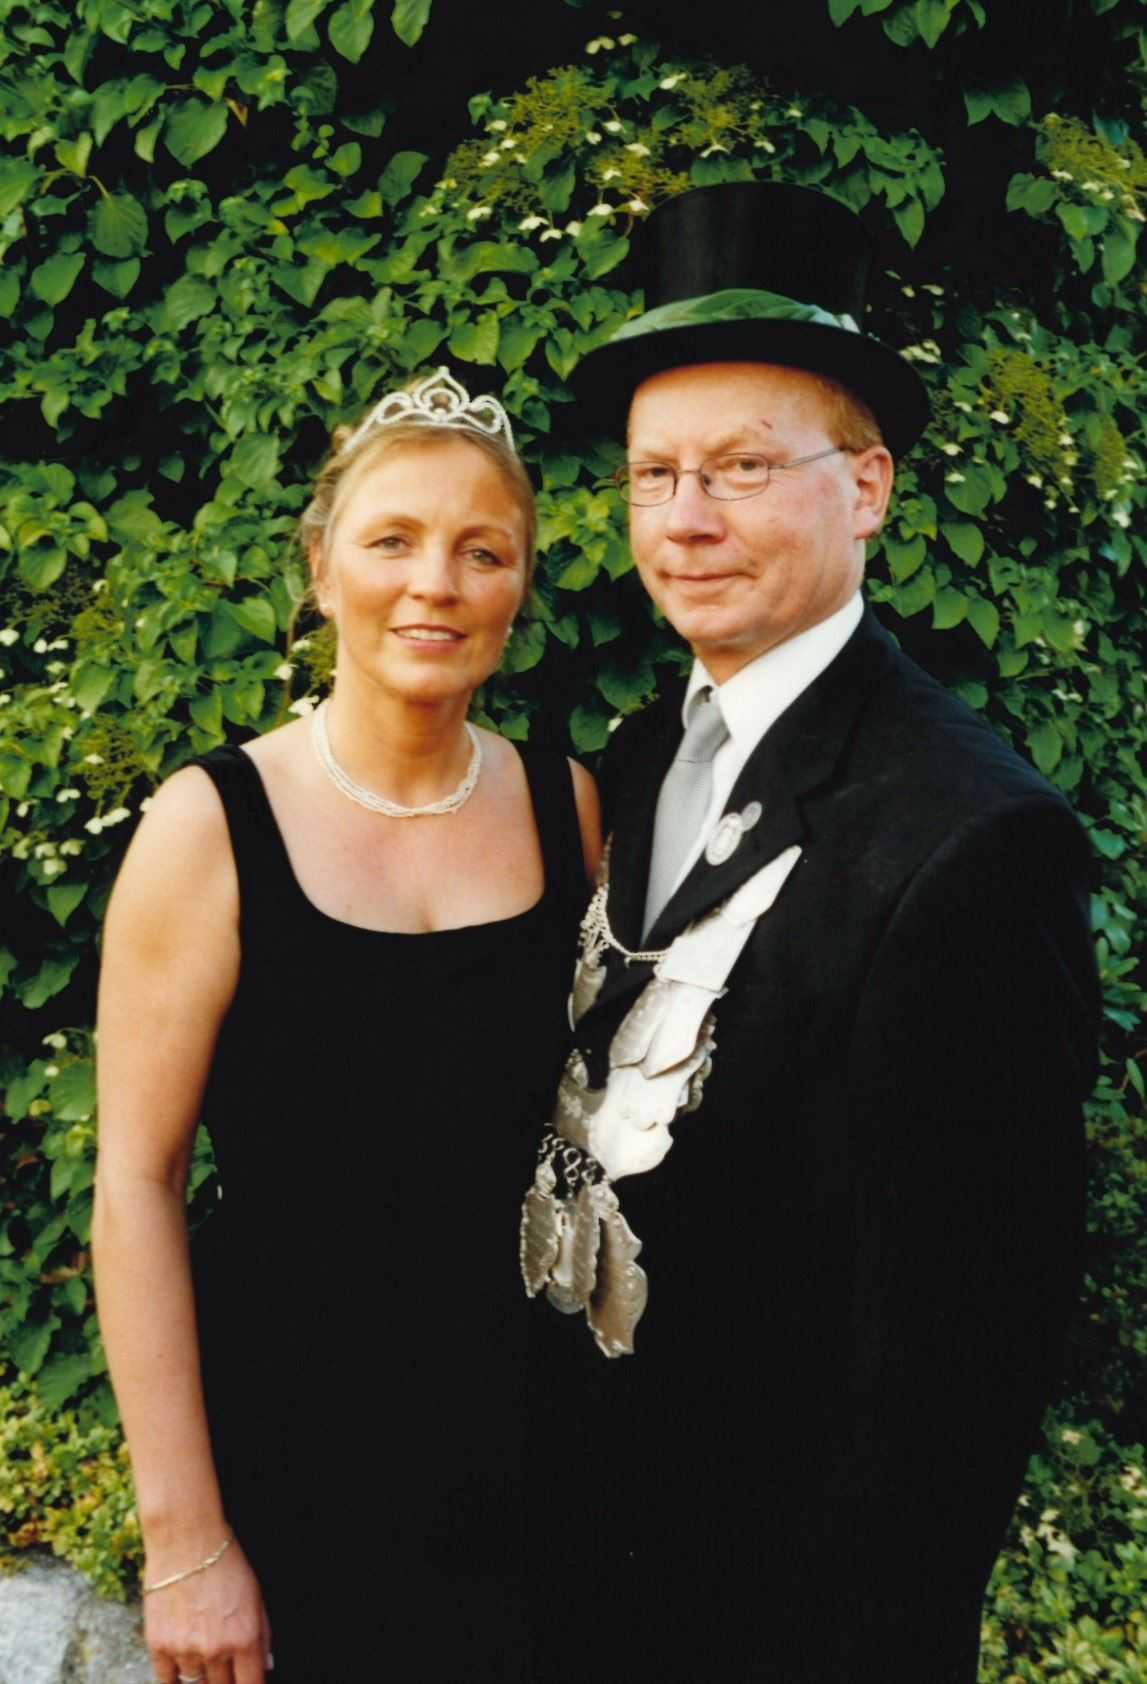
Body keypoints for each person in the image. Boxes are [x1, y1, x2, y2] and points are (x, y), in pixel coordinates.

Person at [521, 185, 1099, 1683]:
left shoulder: (975, 840)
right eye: (655, 475)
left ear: (871, 487)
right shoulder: (644, 754)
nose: (686, 520)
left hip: (780, 1619)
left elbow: (961, 1368)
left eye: (742, 467)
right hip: (583, 1569)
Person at [92, 366, 601, 1684]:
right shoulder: (209, 828)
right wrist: (185, 1541)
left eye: (482, 551)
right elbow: (136, 1184)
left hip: (535, 1465)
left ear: (518, 590)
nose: (436, 582)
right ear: (321, 570)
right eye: (392, 541)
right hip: (291, 1471)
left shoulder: (570, 811)